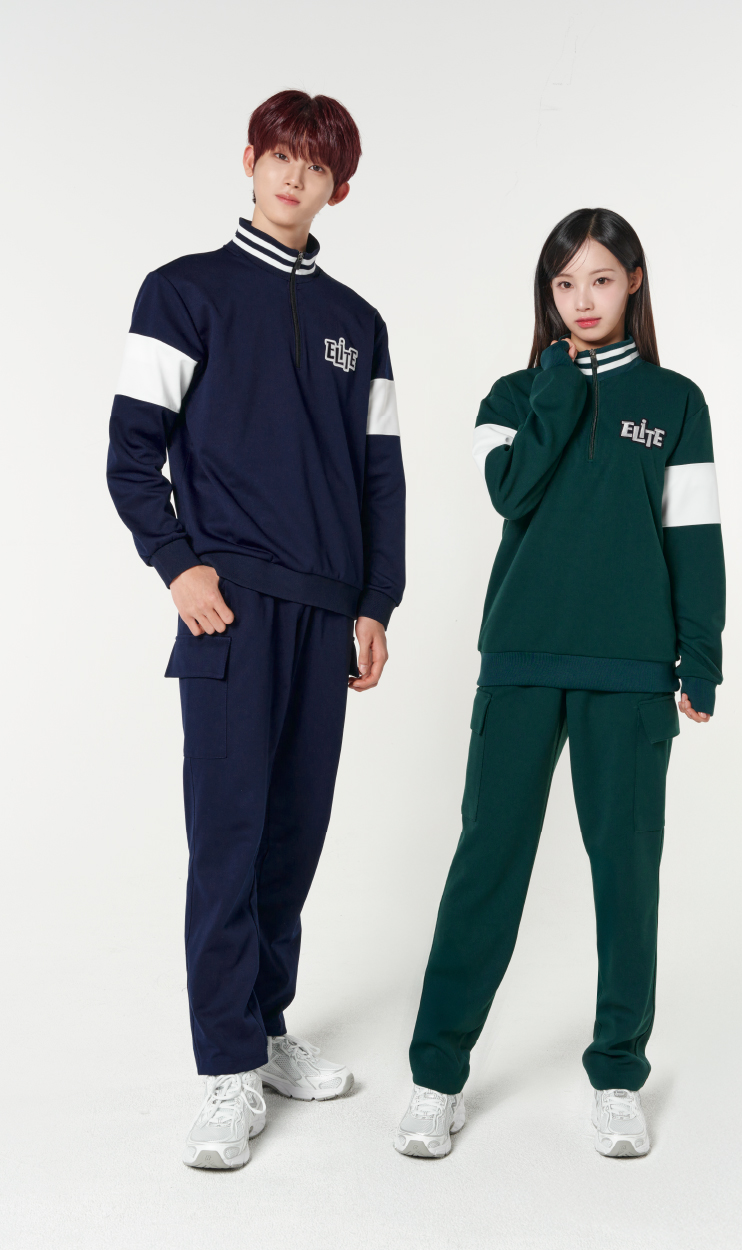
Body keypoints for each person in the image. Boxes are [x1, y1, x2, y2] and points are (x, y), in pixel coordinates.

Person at [107, 90, 405, 1169]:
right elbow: (130, 452)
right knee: (228, 834)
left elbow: (381, 479)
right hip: (228, 604)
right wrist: (177, 562)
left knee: (294, 833)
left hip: (326, 612)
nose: (293, 177)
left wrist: (376, 602)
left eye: (314, 167)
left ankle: (266, 1026)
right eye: (280, 155)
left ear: (338, 188)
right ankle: (226, 1067)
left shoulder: (359, 323)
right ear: (249, 159)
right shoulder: (183, 291)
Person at [394, 207, 724, 1160]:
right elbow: (511, 490)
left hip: (631, 673)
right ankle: (437, 1076)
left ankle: (618, 1075)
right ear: (548, 293)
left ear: (634, 284)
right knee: (486, 865)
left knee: (626, 875)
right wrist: (557, 383)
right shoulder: (511, 394)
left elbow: (694, 540)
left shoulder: (676, 401)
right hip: (522, 663)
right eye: (566, 283)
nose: (584, 300)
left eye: (602, 280)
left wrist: (700, 656)